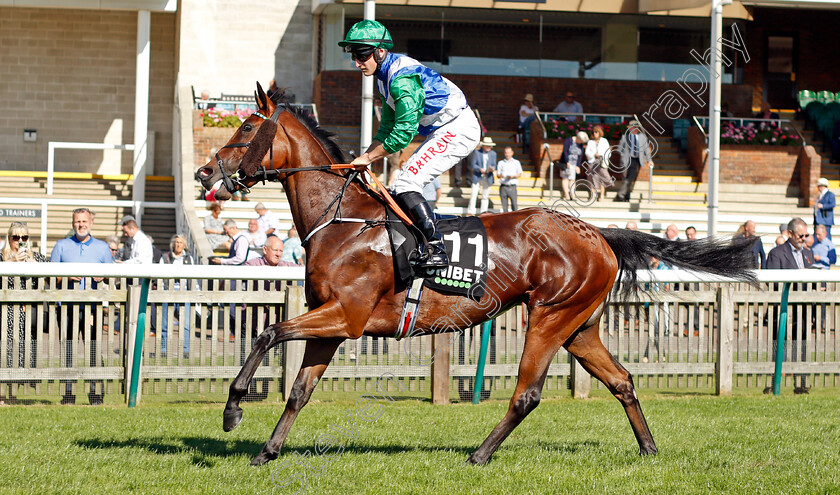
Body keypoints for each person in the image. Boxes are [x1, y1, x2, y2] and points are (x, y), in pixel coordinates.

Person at [339, 20, 481, 268]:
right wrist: (365, 156)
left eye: (361, 55)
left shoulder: (400, 81)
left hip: (458, 128)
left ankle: (437, 249)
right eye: (353, 55)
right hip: (444, 128)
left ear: (380, 51)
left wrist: (369, 158)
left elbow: (403, 134)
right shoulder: (383, 77)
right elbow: (387, 127)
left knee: (406, 183)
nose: (357, 62)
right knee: (398, 189)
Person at [50, 207, 113, 405]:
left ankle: (96, 396)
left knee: (93, 350)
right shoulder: (61, 246)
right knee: (68, 350)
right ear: (73, 223)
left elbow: (113, 276)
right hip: (67, 307)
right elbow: (50, 276)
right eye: (77, 221)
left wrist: (104, 275)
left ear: (91, 223)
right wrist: (65, 275)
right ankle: (68, 395)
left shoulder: (102, 248)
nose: (81, 225)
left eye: (84, 221)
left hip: (92, 308)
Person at [764, 217, 815, 395]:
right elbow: (772, 283)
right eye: (801, 235)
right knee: (779, 346)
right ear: (790, 233)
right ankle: (772, 384)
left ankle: (801, 384)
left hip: (803, 309)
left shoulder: (808, 254)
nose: (804, 239)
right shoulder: (777, 253)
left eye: (806, 235)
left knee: (800, 346)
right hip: (782, 309)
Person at [1, 222, 48, 381]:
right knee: (4, 354)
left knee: (23, 354)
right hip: (4, 314)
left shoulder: (36, 257)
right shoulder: (2, 256)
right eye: (16, 237)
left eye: (24, 237)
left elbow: (55, 275)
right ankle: (2, 395)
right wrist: (12, 261)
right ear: (9, 238)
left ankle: (14, 392)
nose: (20, 241)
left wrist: (34, 265)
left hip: (27, 314)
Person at [158, 234, 195, 357]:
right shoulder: (166, 257)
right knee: (165, 324)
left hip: (184, 294)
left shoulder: (189, 258)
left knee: (185, 325)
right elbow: (160, 275)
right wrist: (162, 292)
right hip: (168, 293)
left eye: (181, 242)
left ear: (185, 245)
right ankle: (164, 349)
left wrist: (195, 293)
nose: (179, 245)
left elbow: (193, 276)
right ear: (173, 244)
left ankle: (186, 350)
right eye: (177, 242)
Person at [614, 122, 654, 203]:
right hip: (626, 160)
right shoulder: (625, 137)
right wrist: (623, 156)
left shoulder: (642, 137)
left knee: (630, 179)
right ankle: (626, 196)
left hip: (636, 160)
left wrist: (649, 160)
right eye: (632, 127)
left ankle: (620, 195)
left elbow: (646, 149)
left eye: (635, 127)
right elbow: (619, 149)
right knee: (625, 178)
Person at [468, 136, 496, 215]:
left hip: (488, 176)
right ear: (483, 146)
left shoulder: (493, 154)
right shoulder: (477, 153)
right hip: (478, 175)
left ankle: (483, 212)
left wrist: (492, 169)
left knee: (485, 195)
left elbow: (494, 165)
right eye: (487, 146)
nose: (489, 147)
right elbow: (473, 165)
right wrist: (480, 169)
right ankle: (471, 211)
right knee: (474, 193)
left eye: (490, 146)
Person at [585, 125, 611, 201]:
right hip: (592, 161)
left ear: (599, 133)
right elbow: (587, 152)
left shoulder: (604, 141)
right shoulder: (590, 142)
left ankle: (602, 195)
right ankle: (593, 195)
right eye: (593, 132)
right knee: (591, 178)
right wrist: (593, 155)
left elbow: (608, 152)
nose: (595, 134)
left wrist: (600, 155)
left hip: (601, 162)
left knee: (602, 178)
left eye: (596, 132)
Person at [559, 131, 588, 200]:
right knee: (565, 178)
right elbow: (565, 151)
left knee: (572, 179)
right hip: (566, 163)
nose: (581, 142)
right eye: (581, 140)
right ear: (578, 138)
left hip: (574, 164)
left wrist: (578, 165)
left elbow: (580, 155)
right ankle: (566, 195)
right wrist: (567, 162)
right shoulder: (569, 141)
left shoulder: (580, 144)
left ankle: (573, 194)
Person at [496, 146, 523, 212]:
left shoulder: (516, 162)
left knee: (514, 205)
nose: (507, 154)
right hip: (503, 186)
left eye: (508, 153)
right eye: (506, 153)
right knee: (504, 207)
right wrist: (501, 176)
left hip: (512, 186)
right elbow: (498, 174)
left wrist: (513, 176)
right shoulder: (501, 163)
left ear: (512, 153)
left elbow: (519, 174)